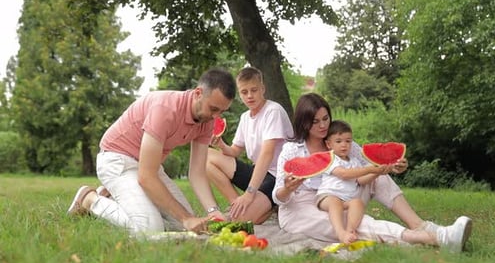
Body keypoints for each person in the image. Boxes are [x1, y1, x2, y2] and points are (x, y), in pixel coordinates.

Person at [272, 93, 473, 252]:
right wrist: (288, 189)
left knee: (380, 177)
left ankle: (420, 225)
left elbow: (373, 166)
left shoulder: (340, 143)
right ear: (303, 121)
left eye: (325, 118)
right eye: (315, 121)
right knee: (351, 223)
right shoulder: (292, 150)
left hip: (344, 196)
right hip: (301, 207)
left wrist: (394, 165)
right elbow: (278, 196)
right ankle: (437, 238)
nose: (323, 125)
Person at [67, 68, 236, 234]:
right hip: (117, 160)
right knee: (149, 228)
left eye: (221, 111)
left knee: (182, 228)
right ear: (198, 93)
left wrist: (212, 210)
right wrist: (186, 218)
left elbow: (197, 173)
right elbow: (146, 177)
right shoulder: (165, 109)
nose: (216, 116)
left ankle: (115, 196)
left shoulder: (207, 120)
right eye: (213, 109)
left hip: (148, 165)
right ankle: (90, 200)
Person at [206, 67, 293, 224]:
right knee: (206, 156)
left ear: (263, 89)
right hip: (257, 173)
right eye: (244, 92)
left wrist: (250, 193)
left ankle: (260, 207)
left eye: (254, 90)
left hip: (277, 176)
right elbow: (235, 151)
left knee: (239, 221)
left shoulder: (273, 111)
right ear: (240, 94)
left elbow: (267, 154)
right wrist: (220, 144)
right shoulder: (245, 117)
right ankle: (236, 203)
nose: (250, 96)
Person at [317, 120, 389, 244]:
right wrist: (369, 168)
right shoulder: (330, 158)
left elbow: (361, 180)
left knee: (358, 203)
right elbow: (344, 174)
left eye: (348, 141)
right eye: (338, 141)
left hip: (347, 199)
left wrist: (376, 172)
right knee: (335, 202)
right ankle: (340, 232)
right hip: (327, 196)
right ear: (329, 144)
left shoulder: (354, 161)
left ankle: (350, 232)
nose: (344, 145)